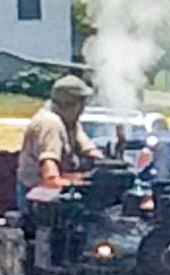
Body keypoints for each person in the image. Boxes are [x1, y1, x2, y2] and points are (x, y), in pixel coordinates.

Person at [16, 75, 104, 212]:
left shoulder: (70, 122)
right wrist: (78, 183)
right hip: (38, 199)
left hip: (56, 195)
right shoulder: (50, 123)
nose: (83, 108)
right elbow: (50, 177)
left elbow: (90, 150)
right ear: (68, 104)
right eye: (81, 103)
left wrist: (108, 167)